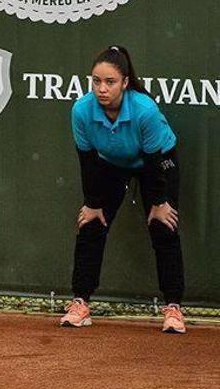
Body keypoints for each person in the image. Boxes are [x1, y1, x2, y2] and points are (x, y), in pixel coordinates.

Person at [61, 45, 185, 333]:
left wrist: (158, 202)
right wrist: (92, 203)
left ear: (125, 83)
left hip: (157, 161)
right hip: (110, 163)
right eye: (96, 81)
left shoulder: (144, 110)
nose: (101, 88)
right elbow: (88, 161)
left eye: (110, 82)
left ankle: (173, 308)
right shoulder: (81, 110)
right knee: (91, 225)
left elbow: (154, 162)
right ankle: (80, 302)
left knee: (164, 226)